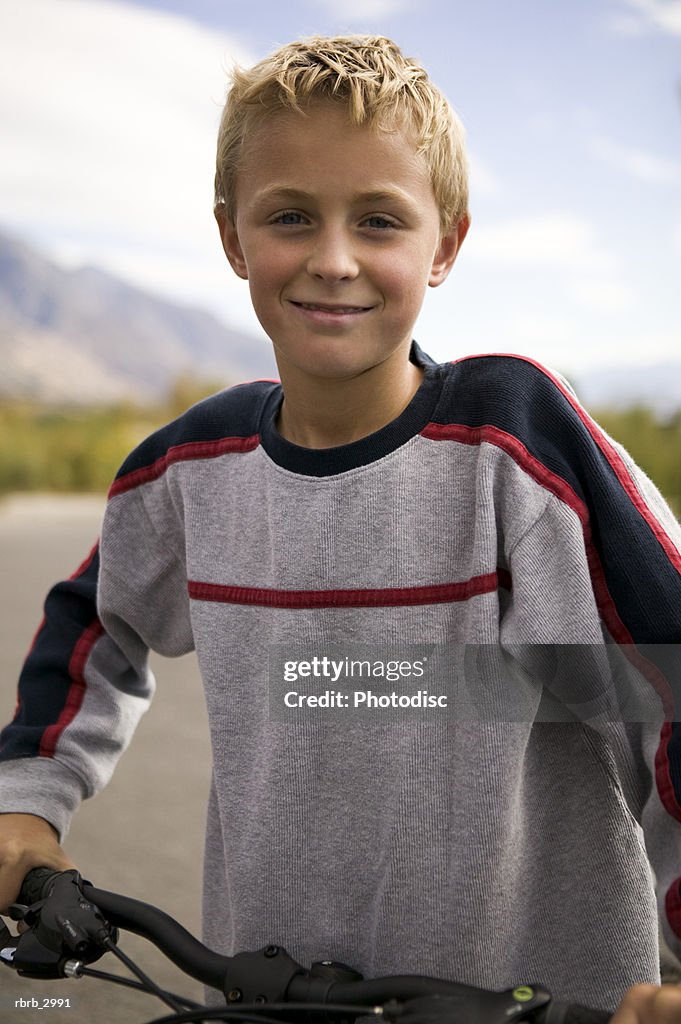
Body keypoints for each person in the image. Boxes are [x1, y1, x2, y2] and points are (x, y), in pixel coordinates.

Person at [1, 34, 680, 1023]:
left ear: (443, 244)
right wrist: (28, 795)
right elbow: (95, 624)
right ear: (233, 237)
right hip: (261, 989)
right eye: (289, 216)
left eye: (378, 220)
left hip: (536, 1000)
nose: (332, 259)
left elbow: (669, 687)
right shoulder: (191, 468)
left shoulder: (517, 446)